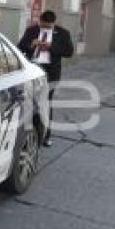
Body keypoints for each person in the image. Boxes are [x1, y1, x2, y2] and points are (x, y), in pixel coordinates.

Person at [17, 10, 75, 147]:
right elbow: (20, 47)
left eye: (48, 27)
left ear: (54, 23)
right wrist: (32, 45)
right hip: (32, 70)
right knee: (29, 102)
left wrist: (51, 47)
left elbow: (69, 52)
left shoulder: (63, 33)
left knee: (46, 102)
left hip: (51, 72)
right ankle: (29, 133)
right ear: (40, 21)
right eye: (43, 26)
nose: (45, 28)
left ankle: (46, 135)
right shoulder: (31, 31)